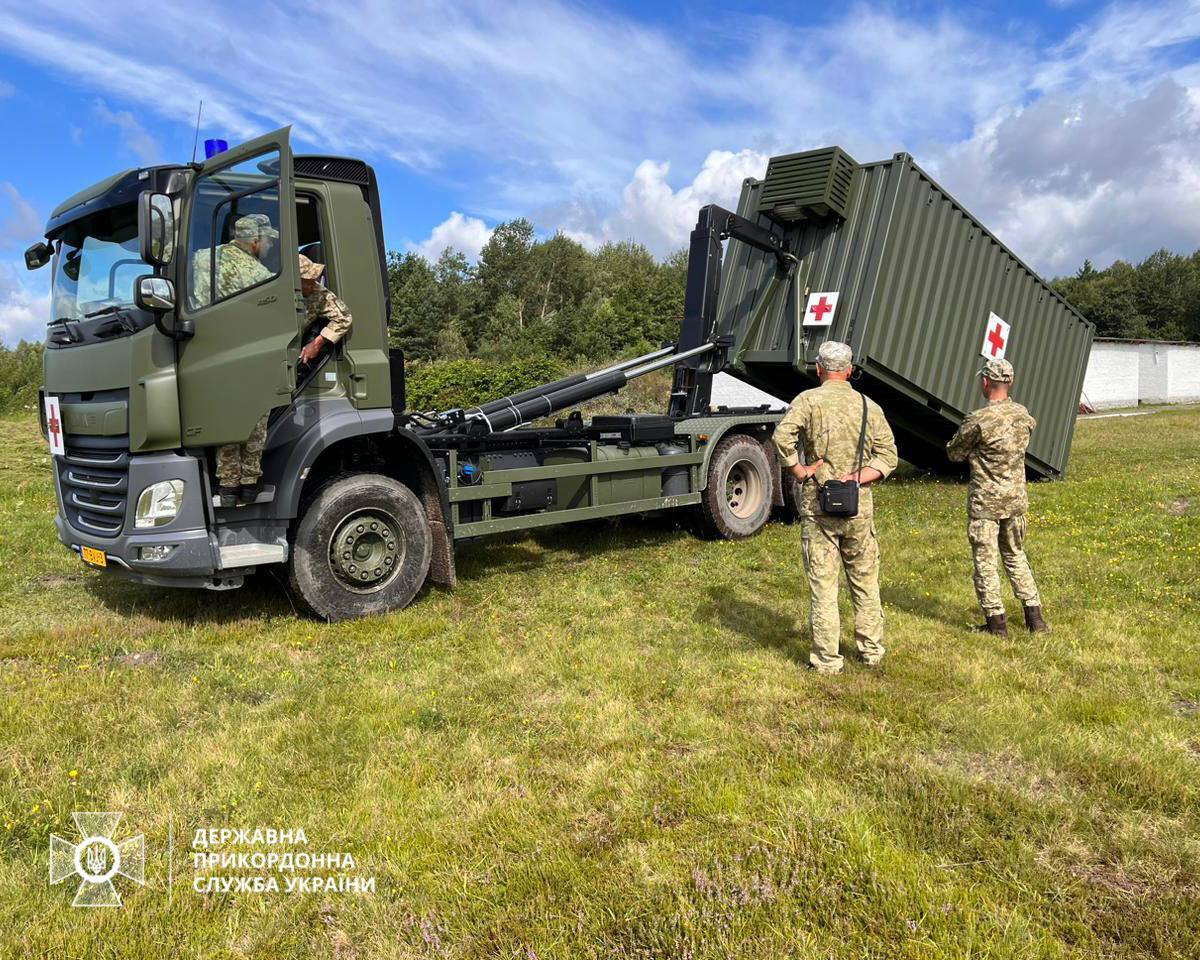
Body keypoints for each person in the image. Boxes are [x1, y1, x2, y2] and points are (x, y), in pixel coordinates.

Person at [772, 341, 899, 674]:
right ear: (850, 369)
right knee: (865, 581)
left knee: (824, 585)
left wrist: (799, 470)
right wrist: (859, 477)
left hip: (819, 508)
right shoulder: (869, 407)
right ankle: (871, 651)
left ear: (818, 369)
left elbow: (781, 438)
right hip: (859, 508)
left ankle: (828, 660)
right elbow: (889, 457)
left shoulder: (808, 400)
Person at [946, 357, 1048, 637]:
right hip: (1015, 500)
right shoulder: (1022, 414)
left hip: (986, 505)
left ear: (986, 381)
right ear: (1010, 382)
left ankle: (996, 624)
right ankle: (1035, 619)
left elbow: (954, 452)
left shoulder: (979, 420)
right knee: (1016, 555)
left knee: (986, 562)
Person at [206, 214, 279, 507]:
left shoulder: (205, 259)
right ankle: (248, 487)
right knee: (254, 424)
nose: (270, 246)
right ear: (255, 241)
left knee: (226, 424)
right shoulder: (258, 275)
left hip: (211, 358)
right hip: (249, 359)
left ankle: (226, 488)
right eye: (268, 241)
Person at [296, 254, 352, 366]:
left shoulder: (318, 293)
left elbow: (344, 318)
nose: (314, 282)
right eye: (309, 279)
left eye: (314, 277)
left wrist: (316, 344)